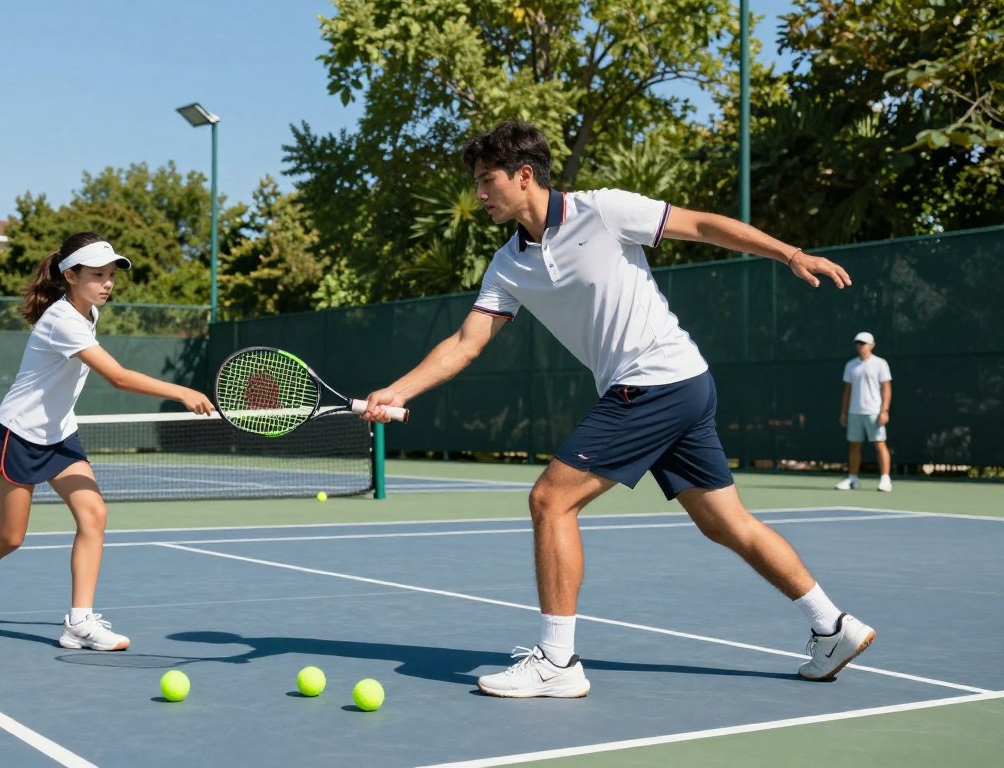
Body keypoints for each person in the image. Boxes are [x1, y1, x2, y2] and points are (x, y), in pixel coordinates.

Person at [362, 121, 875, 698]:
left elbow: (701, 226)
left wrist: (789, 253)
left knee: (550, 500)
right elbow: (465, 343)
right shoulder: (508, 265)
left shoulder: (603, 211)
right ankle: (833, 626)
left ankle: (558, 662)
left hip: (655, 381)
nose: (479, 194)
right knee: (726, 523)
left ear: (523, 176)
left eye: (487, 181)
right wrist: (400, 389)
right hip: (683, 383)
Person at [0, 232, 215, 651]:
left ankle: (79, 622)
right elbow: (118, 378)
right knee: (10, 537)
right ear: (70, 275)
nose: (107, 283)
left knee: (94, 516)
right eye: (97, 275)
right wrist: (181, 391)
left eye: (111, 276)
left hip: (60, 433)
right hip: (19, 434)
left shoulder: (88, 315)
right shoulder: (62, 319)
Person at [836, 332, 893, 492]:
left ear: (872, 345)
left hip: (874, 412)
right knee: (854, 446)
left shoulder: (880, 364)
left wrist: (884, 410)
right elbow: (847, 390)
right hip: (855, 412)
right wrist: (844, 412)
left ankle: (885, 479)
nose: (860, 346)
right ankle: (853, 479)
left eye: (864, 343)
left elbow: (886, 388)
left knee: (880, 444)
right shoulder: (851, 365)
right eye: (858, 343)